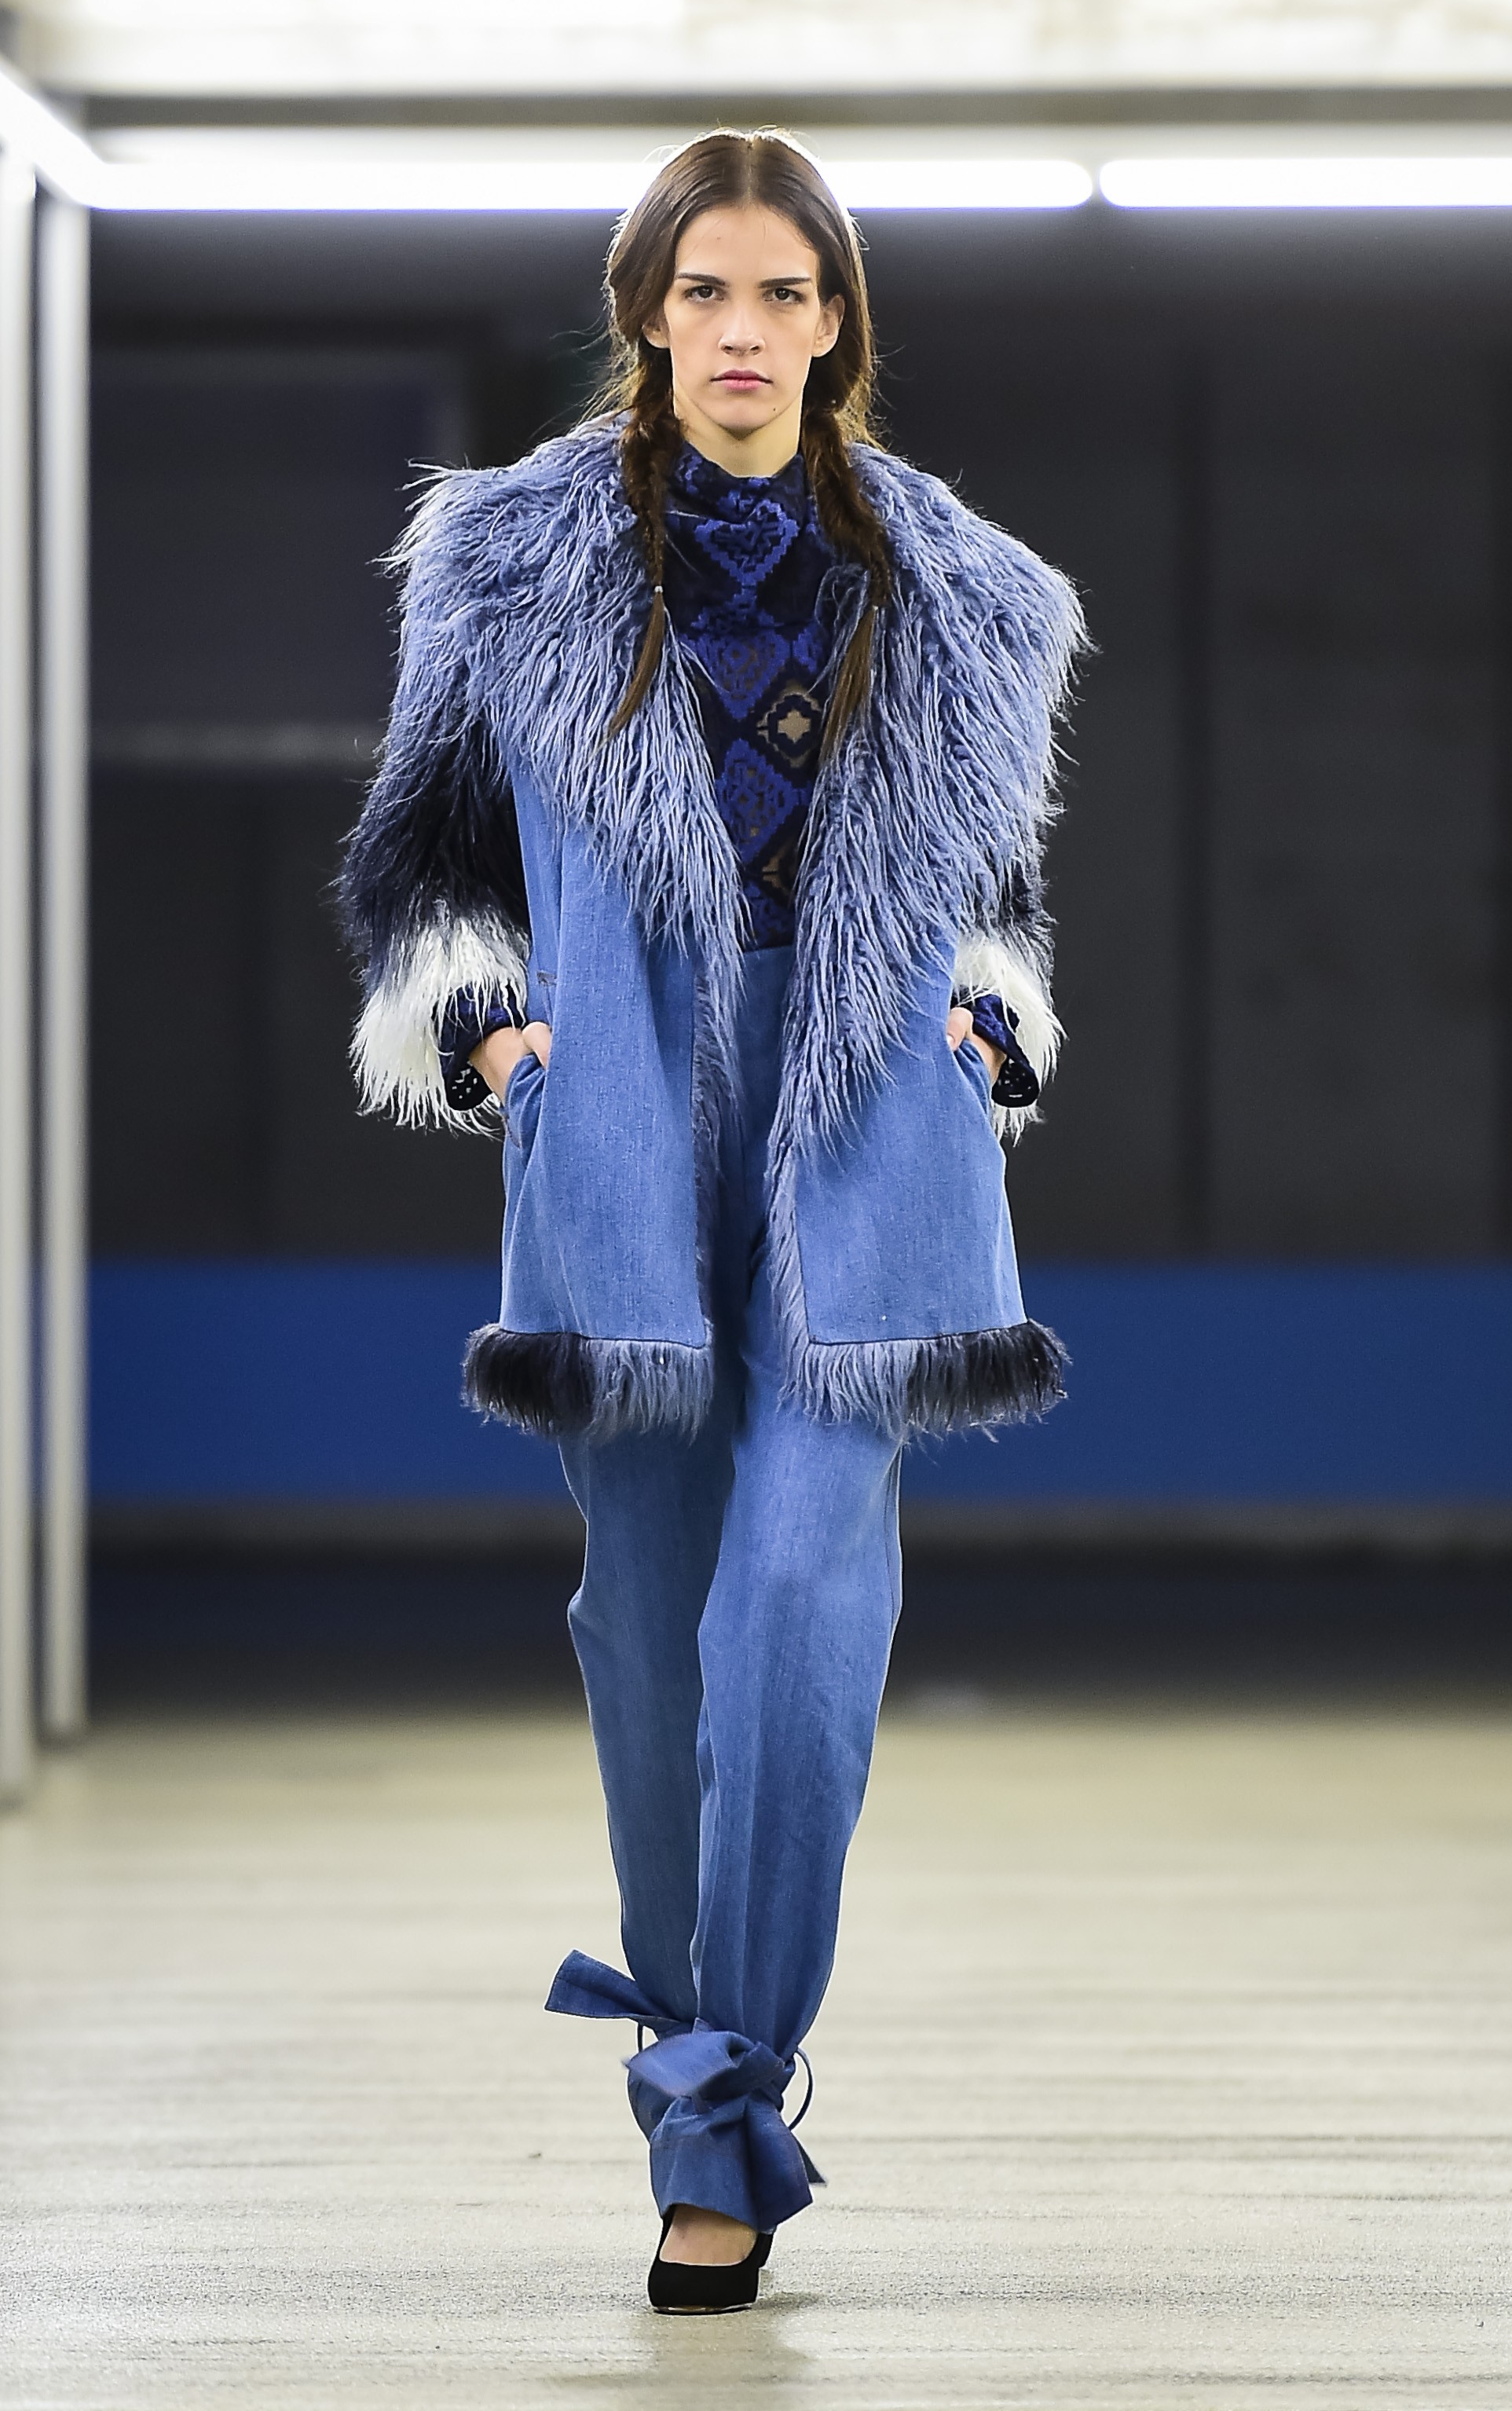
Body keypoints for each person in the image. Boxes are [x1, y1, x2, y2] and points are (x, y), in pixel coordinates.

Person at [340, 130, 1085, 2314]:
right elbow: (427, 858)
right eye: (704, 294)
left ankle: (734, 2098)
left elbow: (998, 888)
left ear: (836, 320)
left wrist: (990, 1026)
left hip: (867, 1109)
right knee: (649, 1641)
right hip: (617, 1114)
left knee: (791, 1620)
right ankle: (696, 2090)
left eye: (781, 293)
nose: (742, 333)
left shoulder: (961, 594)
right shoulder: (508, 564)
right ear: (646, 318)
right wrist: (497, 1045)